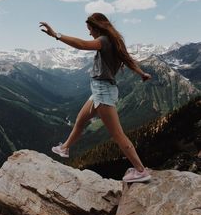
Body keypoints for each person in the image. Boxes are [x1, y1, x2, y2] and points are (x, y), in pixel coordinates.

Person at [39, 13, 152, 183]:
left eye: (90, 29)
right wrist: (141, 73)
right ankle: (64, 148)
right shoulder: (114, 41)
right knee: (80, 120)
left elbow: (82, 44)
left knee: (118, 134)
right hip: (100, 91)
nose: (89, 33)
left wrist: (56, 35)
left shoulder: (105, 41)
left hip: (103, 93)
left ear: (97, 27)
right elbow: (128, 60)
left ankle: (140, 170)